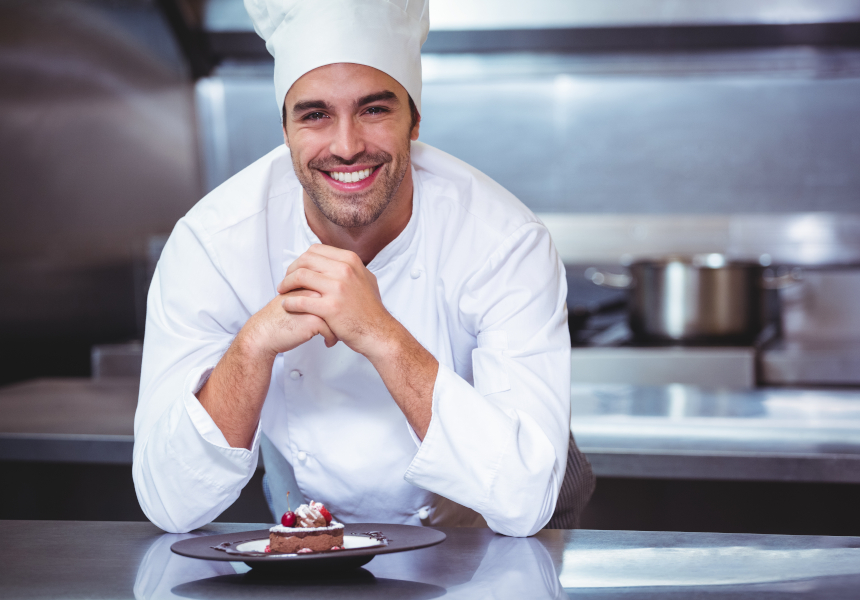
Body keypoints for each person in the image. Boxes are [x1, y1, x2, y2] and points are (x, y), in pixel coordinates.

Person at [132, 0, 594, 536]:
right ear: (285, 129)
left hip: (484, 537)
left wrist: (380, 334)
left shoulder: (503, 240)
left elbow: (525, 498)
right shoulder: (213, 244)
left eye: (374, 110)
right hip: (312, 536)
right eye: (315, 115)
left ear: (414, 120)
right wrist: (252, 346)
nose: (347, 146)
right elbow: (169, 502)